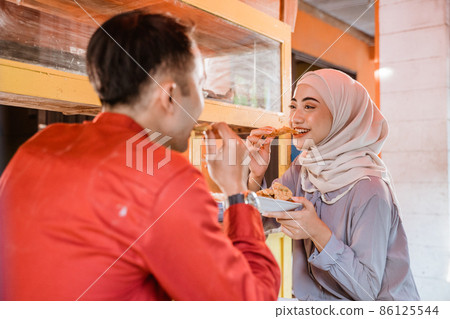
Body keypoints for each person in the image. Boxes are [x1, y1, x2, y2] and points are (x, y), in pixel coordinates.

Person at [0, 11, 280, 300]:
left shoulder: (39, 145)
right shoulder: (167, 179)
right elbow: (251, 303)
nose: (203, 102)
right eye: (201, 85)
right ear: (169, 96)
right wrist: (236, 191)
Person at [247, 69, 419, 301]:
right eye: (293, 106)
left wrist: (316, 231)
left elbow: (367, 290)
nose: (295, 118)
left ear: (342, 115)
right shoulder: (304, 166)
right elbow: (258, 223)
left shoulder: (371, 188)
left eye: (309, 107)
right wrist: (256, 175)